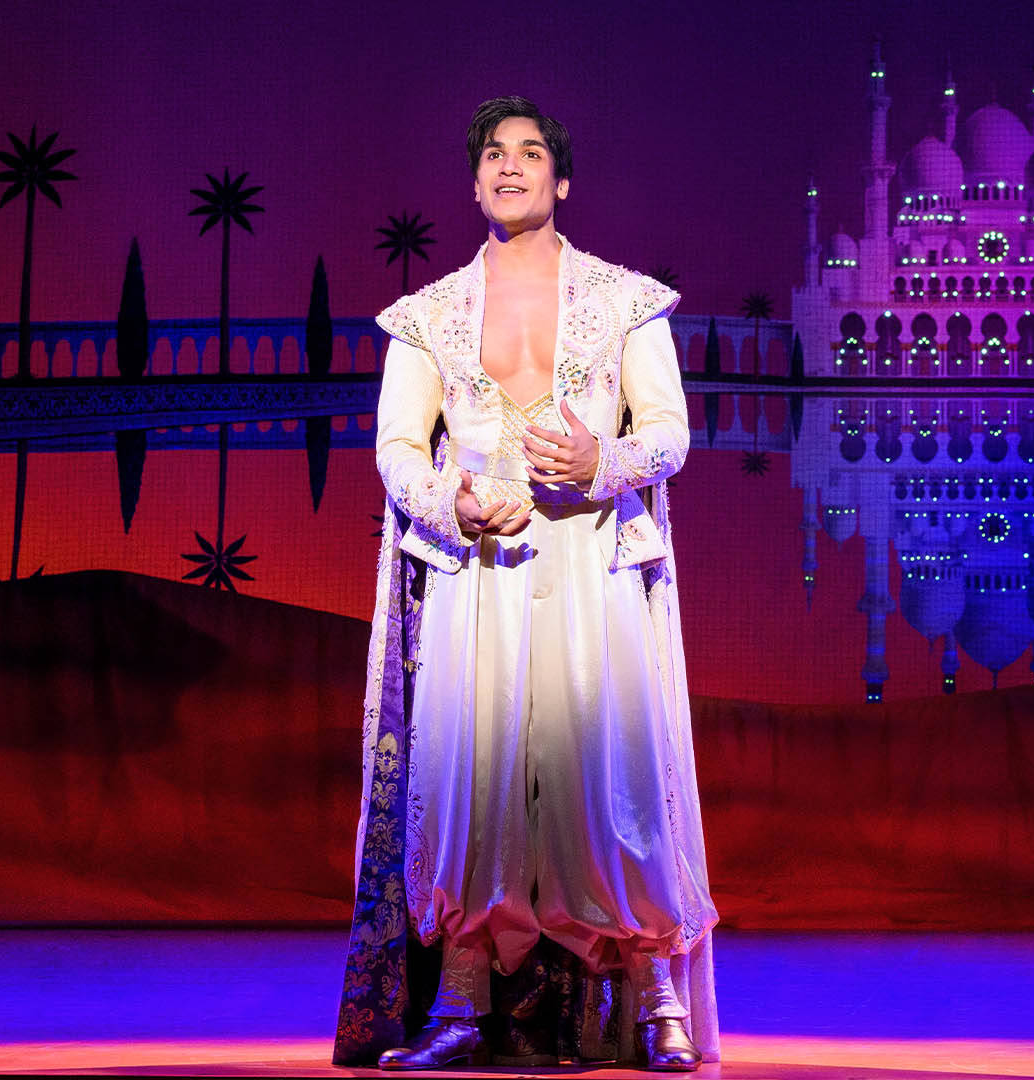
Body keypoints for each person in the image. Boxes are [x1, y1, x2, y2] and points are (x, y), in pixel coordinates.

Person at [331, 95, 718, 1072]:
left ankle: (655, 998)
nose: (510, 166)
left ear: (562, 180)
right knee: (476, 786)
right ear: (474, 182)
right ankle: (458, 1004)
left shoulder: (627, 303)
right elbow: (393, 447)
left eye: (530, 152)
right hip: (480, 578)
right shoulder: (426, 319)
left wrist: (601, 462)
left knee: (612, 782)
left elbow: (669, 432)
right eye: (493, 154)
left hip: (592, 571)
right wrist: (445, 502)